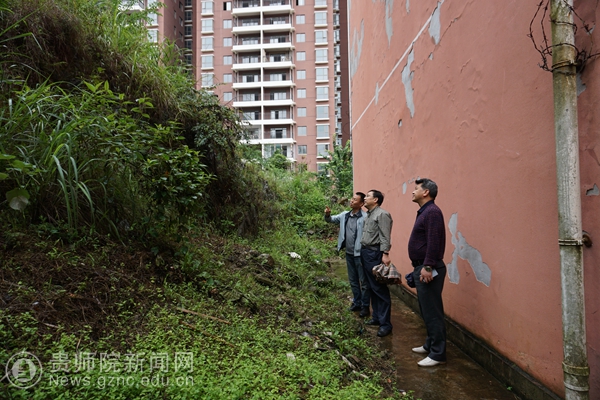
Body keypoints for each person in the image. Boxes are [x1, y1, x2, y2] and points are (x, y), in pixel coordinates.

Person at [408, 178, 447, 367]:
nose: (412, 191)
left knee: (432, 312)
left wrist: (428, 266)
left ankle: (438, 354)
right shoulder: (425, 211)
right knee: (426, 310)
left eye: (416, 189)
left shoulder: (432, 212)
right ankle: (430, 344)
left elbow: (433, 241)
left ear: (426, 192)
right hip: (422, 266)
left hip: (428, 268)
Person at [325, 192, 371, 317]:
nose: (351, 201)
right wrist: (327, 214)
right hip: (349, 253)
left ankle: (365, 306)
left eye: (355, 200)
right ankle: (357, 303)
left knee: (364, 282)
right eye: (352, 198)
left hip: (360, 254)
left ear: (361, 204)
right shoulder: (344, 215)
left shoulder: (365, 217)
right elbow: (330, 220)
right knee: (353, 280)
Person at [360, 190, 393, 337]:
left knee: (379, 288)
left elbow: (385, 236)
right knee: (371, 287)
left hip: (375, 254)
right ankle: (377, 317)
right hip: (366, 252)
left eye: (368, 196)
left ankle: (386, 324)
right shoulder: (369, 214)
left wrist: (385, 254)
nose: (365, 198)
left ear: (375, 200)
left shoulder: (382, 214)